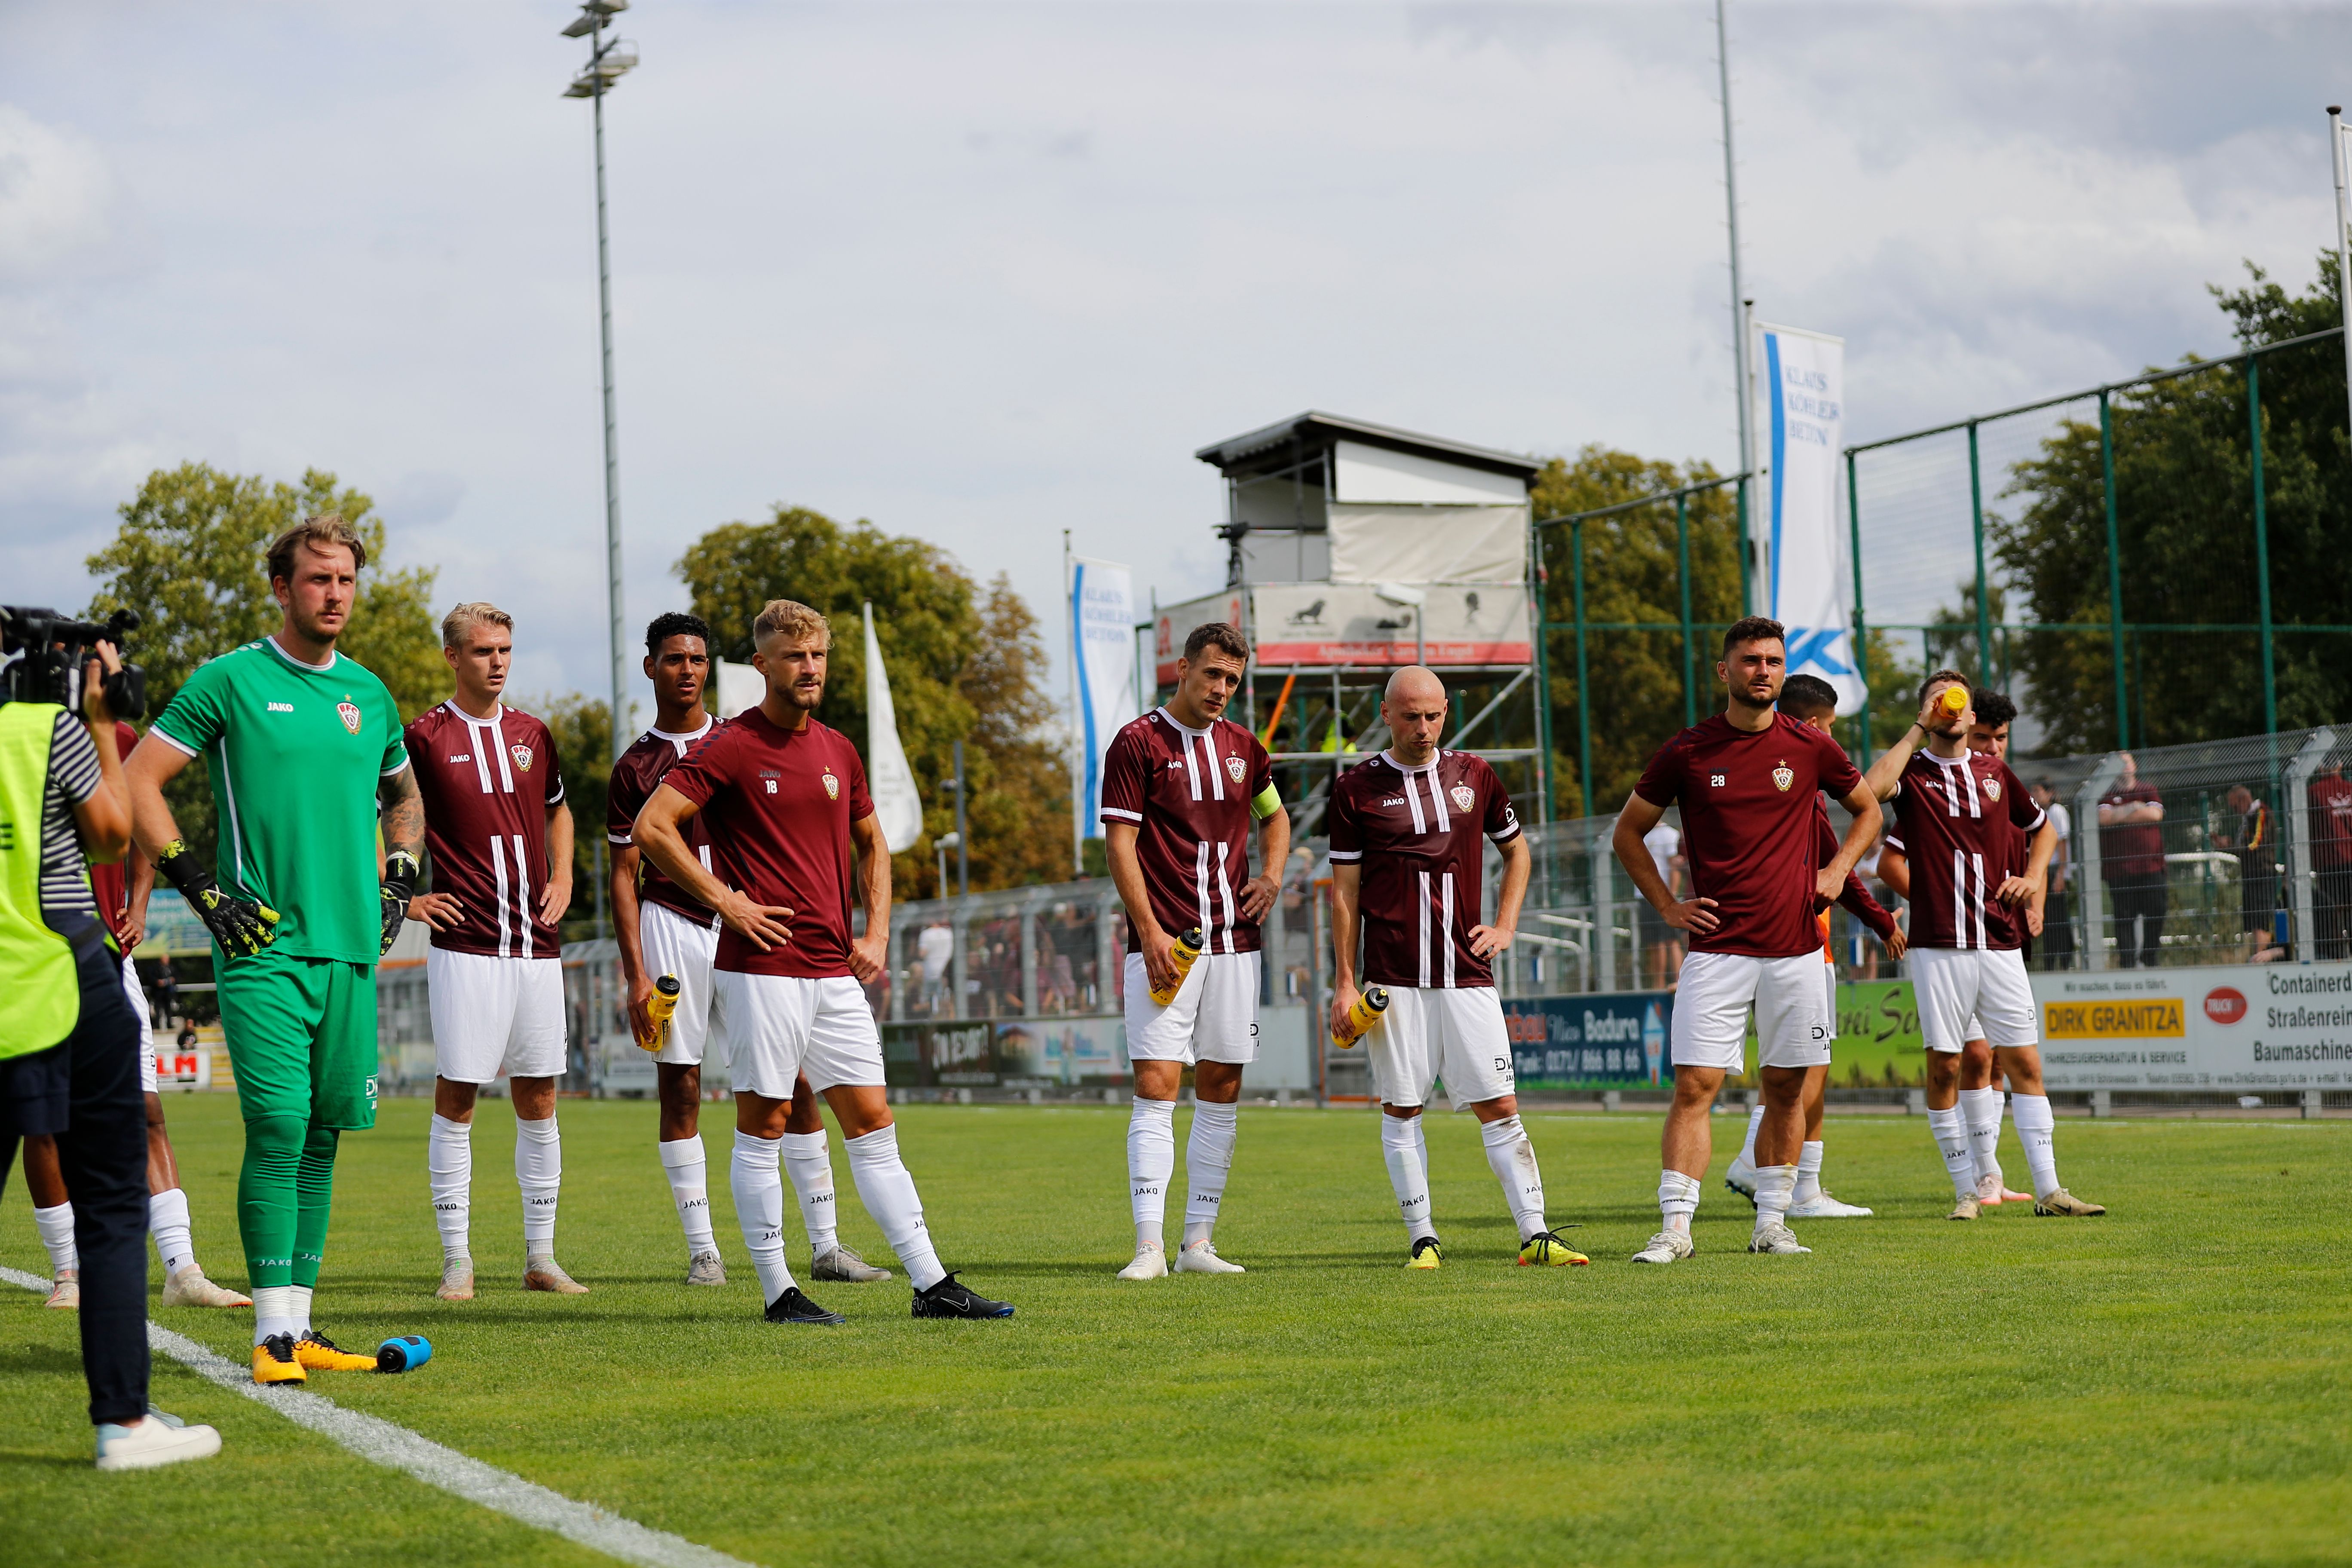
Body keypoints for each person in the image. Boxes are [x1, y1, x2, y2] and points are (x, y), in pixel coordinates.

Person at [634, 598, 1011, 1323]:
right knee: (764, 1121)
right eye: (794, 655)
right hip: (761, 968)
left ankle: (932, 1283)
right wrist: (727, 902)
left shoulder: (838, 748)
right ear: (763, 665)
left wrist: (875, 934)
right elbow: (654, 828)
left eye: (818, 656)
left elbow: (875, 843)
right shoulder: (732, 745)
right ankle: (779, 1291)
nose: (809, 668)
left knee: (872, 1121)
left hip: (832, 971)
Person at [125, 514, 422, 1384]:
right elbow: (140, 779)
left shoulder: (368, 695)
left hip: (349, 951)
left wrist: (399, 879)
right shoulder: (231, 680)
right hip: (261, 945)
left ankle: (299, 1331)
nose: (335, 594)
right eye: (318, 579)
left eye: (346, 580)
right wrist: (200, 886)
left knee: (324, 1134)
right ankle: (269, 1338)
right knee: (280, 1123)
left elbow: (403, 794)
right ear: (282, 587)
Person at [607, 612, 887, 1289]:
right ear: (652, 668)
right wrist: (636, 973)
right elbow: (624, 873)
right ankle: (706, 1249)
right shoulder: (635, 766)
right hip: (674, 923)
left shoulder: (743, 738)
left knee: (797, 1083)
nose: (689, 671)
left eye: (699, 660)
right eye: (674, 659)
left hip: (755, 928)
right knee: (682, 1087)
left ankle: (826, 1244)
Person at [1, 635, 221, 1468]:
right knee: (111, 1200)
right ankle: (123, 1422)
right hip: (57, 972)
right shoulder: (43, 727)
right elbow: (109, 831)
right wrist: (97, 722)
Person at [1611, 617, 1883, 1262]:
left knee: (1786, 1089)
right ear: (1724, 671)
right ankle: (1676, 1230)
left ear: (1782, 671)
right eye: (1751, 660)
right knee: (1695, 1086)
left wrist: (1838, 869)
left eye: (1773, 661)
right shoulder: (1687, 751)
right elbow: (1628, 833)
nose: (1763, 670)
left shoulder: (1810, 747)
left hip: (1797, 953)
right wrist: (1667, 905)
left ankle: (1772, 1223)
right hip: (1718, 951)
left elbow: (1868, 809)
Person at [1327, 666, 1582, 1270]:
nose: (1423, 727)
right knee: (1402, 1108)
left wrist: (1506, 925)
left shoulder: (1475, 775)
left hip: (1468, 974)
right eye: (1411, 715)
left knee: (1500, 1105)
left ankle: (1537, 1235)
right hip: (1393, 978)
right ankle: (1423, 1240)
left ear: (1447, 713)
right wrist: (1344, 981)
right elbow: (1344, 891)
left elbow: (1517, 850)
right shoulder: (1355, 789)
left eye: (1434, 715)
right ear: (1385, 714)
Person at [21, 715, 248, 1312]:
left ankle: (182, 1269)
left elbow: (146, 819)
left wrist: (138, 903)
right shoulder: (14, 732)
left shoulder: (119, 737)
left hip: (106, 952)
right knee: (41, 1118)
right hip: (25, 954)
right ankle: (68, 1273)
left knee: (146, 1110)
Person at [1863, 671, 2103, 1220]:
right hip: (1939, 946)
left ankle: (2050, 1190)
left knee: (2024, 1063)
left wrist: (2033, 876)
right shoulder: (1915, 773)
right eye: (1939, 701)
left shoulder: (1997, 773)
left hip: (2000, 942)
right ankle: (1967, 1190)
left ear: (1973, 717)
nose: (1952, 710)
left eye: (1959, 704)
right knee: (1947, 1065)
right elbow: (1871, 792)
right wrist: (1918, 728)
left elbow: (2043, 830)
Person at [403, 603, 586, 1302]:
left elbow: (559, 809)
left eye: (506, 648)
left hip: (536, 943)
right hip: (466, 943)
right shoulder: (422, 736)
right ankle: (458, 1260)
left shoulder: (534, 733)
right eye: (483, 650)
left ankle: (541, 1256)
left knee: (539, 1094)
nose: (498, 661)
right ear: (453, 657)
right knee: (459, 1095)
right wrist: (405, 899)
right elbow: (369, 817)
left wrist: (564, 874)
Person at [1098, 622, 1289, 1281]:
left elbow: (1277, 816)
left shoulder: (1245, 748)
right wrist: (1148, 933)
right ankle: (1149, 1246)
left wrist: (1271, 876)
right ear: (1181, 669)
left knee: (1223, 1087)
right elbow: (1119, 846)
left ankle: (1198, 1243)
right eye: (1212, 674)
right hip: (1167, 944)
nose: (1221, 689)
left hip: (1237, 946)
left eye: (1233, 680)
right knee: (1157, 1086)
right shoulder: (1137, 743)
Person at [1720, 674, 1904, 1221]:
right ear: (1815, 726)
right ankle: (1772, 1176)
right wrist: (1881, 921)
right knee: (1803, 1069)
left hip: (1798, 945)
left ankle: (1794, 1184)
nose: (1833, 739)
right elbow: (1837, 869)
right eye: (1830, 728)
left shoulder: (1786, 777)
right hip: (1801, 946)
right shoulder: (1800, 785)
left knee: (1802, 1067)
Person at [1878, 687, 2033, 1207]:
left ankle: (1995, 1174)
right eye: (1985, 736)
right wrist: (1940, 899)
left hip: (2001, 935)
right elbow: (1889, 857)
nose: (1992, 745)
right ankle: (1978, 1177)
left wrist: (2034, 892)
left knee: (1998, 1060)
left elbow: (2043, 838)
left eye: (1999, 738)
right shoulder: (1924, 784)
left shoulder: (1999, 784)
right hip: (1948, 940)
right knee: (1969, 1057)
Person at [2097, 751, 2167, 968]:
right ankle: (2127, 963)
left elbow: (2155, 815)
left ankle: (2150, 955)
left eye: (2127, 762)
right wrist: (2135, 808)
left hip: (2151, 867)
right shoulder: (2105, 794)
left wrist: (2121, 815)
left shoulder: (2148, 789)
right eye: (2119, 763)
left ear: (2134, 766)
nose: (2124, 767)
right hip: (2120, 870)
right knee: (2124, 919)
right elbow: (2104, 819)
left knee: (2157, 910)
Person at [2212, 784, 2283, 964]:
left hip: (2262, 873)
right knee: (2252, 920)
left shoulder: (2261, 813)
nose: (2236, 811)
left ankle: (2261, 957)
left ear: (2244, 800)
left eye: (2235, 807)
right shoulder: (2248, 818)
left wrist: (2231, 847)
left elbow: (2255, 845)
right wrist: (2226, 846)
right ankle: (2256, 956)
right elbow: (2244, 847)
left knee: (2262, 918)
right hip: (2250, 875)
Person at [2307, 760, 2352, 961]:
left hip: (2329, 861)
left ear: (2320, 767)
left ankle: (2337, 957)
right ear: (2340, 765)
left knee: (2332, 913)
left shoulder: (2313, 792)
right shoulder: (2349, 788)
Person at [2030, 778, 2075, 969]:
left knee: (2060, 919)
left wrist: (2061, 874)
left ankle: (2065, 960)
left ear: (2050, 793)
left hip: (2056, 870)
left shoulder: (2057, 811)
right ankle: (2050, 963)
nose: (2034, 795)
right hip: (2045, 870)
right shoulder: (2041, 813)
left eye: (2038, 791)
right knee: (2048, 920)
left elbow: (2063, 842)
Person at [1638, 818, 1686, 989]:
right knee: (1653, 943)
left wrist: (1671, 898)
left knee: (1671, 940)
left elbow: (1674, 867)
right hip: (1645, 897)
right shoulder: (1640, 834)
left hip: (1664, 896)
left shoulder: (1670, 834)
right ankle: (1657, 985)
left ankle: (1679, 980)